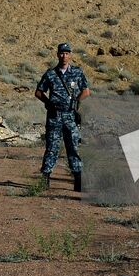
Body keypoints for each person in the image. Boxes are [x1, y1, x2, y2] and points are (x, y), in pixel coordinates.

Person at [36, 42, 90, 192]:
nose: (64, 56)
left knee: (73, 147)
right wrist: (48, 103)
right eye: (61, 53)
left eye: (67, 53)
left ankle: (78, 180)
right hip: (54, 116)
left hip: (70, 116)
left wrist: (76, 102)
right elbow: (39, 92)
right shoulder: (50, 74)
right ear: (57, 54)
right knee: (52, 147)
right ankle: (45, 178)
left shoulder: (77, 73)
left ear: (70, 55)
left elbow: (86, 91)